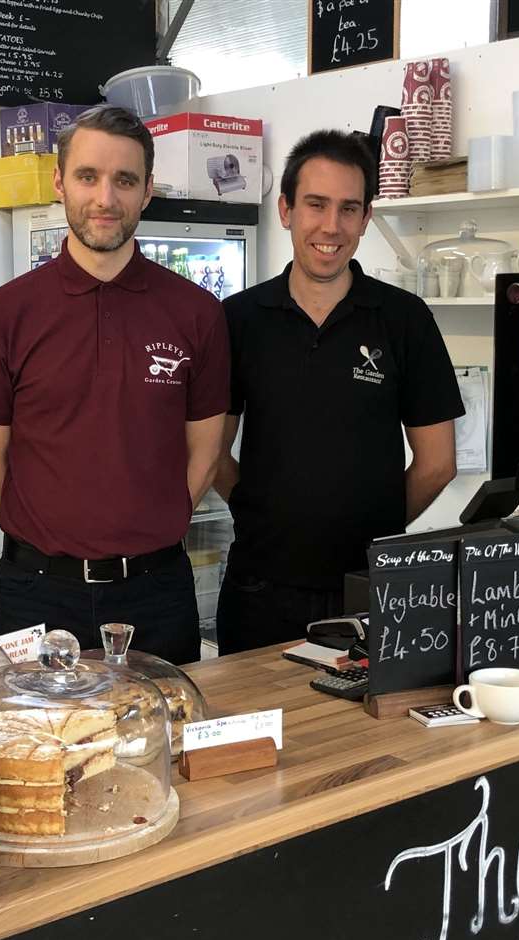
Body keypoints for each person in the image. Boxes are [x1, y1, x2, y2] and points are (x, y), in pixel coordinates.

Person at [0, 106, 228, 665]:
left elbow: (205, 457)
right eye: (88, 176)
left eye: (125, 180)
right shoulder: (2, 314)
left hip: (157, 592)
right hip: (35, 593)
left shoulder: (197, 314)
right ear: (59, 182)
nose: (105, 199)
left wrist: (143, 526)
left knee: (162, 746)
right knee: (32, 748)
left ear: (148, 190)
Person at [213, 129, 464, 654]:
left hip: (371, 589)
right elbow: (211, 449)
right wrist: (258, 512)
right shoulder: (237, 320)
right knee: (259, 735)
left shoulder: (403, 319)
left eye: (349, 209)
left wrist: (373, 529)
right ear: (286, 210)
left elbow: (438, 463)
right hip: (260, 589)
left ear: (366, 218)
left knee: (365, 736)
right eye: (315, 205)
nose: (332, 226)